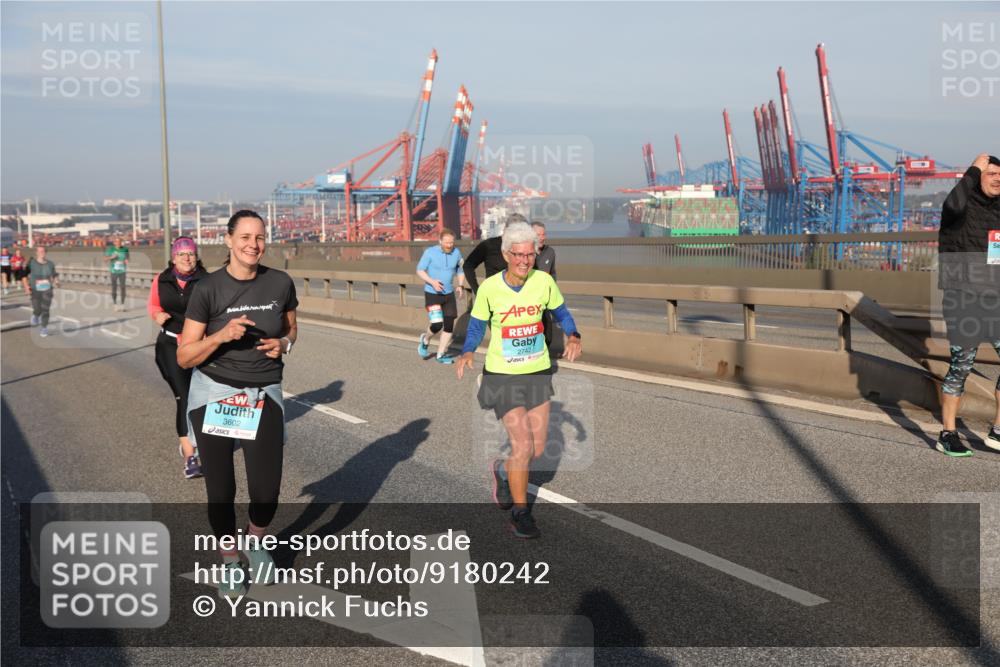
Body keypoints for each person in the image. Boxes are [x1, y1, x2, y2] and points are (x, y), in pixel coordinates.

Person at [177, 210, 298, 597]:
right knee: (222, 488)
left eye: (260, 237)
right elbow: (185, 356)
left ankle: (255, 539)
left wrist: (285, 344)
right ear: (228, 240)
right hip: (216, 392)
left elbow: (292, 326)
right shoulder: (208, 289)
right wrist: (221, 337)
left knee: (267, 491)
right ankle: (229, 559)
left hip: (263, 393)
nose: (253, 245)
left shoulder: (280, 283)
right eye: (244, 237)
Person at [456, 222, 582, 539]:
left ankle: (502, 470)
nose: (525, 261)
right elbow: (476, 325)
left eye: (530, 254)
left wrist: (573, 333)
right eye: (519, 255)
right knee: (523, 444)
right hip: (502, 374)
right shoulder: (490, 288)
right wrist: (468, 351)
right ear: (506, 254)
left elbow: (562, 312)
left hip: (537, 370)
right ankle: (520, 514)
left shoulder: (543, 282)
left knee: (536, 449)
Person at [936, 153, 1000, 456]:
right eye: (991, 174)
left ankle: (998, 431)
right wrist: (973, 168)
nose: (998, 179)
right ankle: (947, 433)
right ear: (977, 177)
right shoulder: (958, 208)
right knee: (962, 366)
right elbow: (952, 203)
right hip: (962, 296)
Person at [148, 237, 209, 479]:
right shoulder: (161, 280)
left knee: (203, 398)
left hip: (200, 346)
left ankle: (203, 439)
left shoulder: (207, 281)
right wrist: (157, 315)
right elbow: (152, 305)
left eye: (191, 254)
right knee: (184, 396)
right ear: (174, 258)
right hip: (170, 345)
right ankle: (190, 456)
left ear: (196, 257)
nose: (186, 258)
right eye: (182, 254)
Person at [416, 229, 466, 364]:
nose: (449, 245)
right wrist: (432, 281)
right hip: (432, 293)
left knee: (449, 325)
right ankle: (425, 339)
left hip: (448, 294)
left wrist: (460, 285)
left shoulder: (456, 253)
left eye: (452, 242)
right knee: (437, 324)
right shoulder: (430, 252)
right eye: (447, 243)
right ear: (440, 241)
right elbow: (420, 270)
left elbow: (461, 270)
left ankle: (440, 354)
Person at [463, 213, 528, 294]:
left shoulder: (523, 247)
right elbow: (468, 265)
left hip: (518, 298)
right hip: (493, 297)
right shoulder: (489, 245)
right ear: (506, 229)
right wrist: (477, 291)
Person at [531, 221, 558, 350]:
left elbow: (553, 274)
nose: (542, 238)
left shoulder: (550, 252)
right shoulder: (526, 253)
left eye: (543, 234)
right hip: (528, 303)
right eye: (538, 235)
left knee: (548, 336)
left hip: (544, 301)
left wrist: (553, 293)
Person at [26, 245, 59, 337]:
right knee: (37, 308)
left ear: (46, 252)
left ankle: (44, 328)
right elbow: (24, 274)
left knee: (45, 310)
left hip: (47, 290)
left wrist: (56, 281)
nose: (42, 253)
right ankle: (36, 315)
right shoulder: (32, 263)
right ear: (36, 253)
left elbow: (54, 274)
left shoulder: (50, 264)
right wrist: (26, 286)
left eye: (43, 251)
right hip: (35, 290)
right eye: (40, 251)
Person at [105, 236, 130, 311]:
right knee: (114, 288)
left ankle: (122, 305)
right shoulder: (111, 249)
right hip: (114, 271)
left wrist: (126, 260)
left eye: (120, 242)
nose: (118, 243)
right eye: (117, 242)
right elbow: (105, 259)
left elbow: (127, 258)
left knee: (123, 287)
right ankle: (115, 304)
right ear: (114, 242)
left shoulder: (125, 249)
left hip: (122, 271)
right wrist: (111, 257)